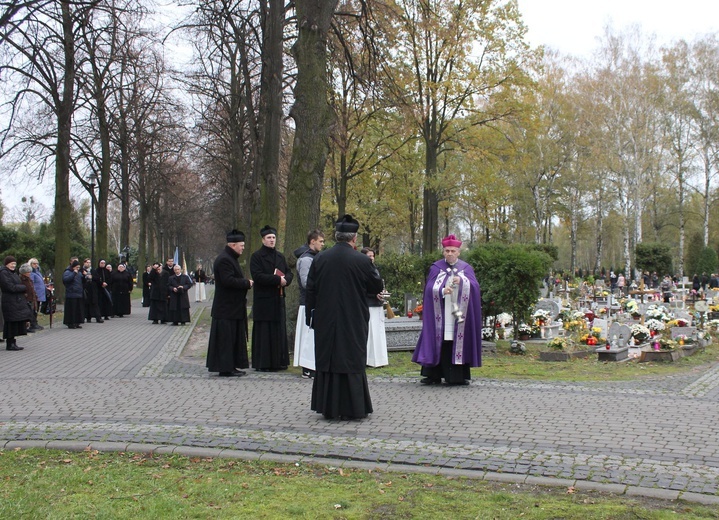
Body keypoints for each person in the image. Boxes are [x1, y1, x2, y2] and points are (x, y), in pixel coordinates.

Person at [305, 215, 383, 420]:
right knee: (351, 357)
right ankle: (353, 407)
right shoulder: (362, 260)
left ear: (336, 236)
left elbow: (310, 290)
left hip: (325, 317)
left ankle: (328, 406)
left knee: (329, 358)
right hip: (353, 317)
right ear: (354, 239)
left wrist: (310, 317)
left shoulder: (320, 258)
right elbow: (377, 286)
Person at [413, 234, 483, 386]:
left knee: (456, 340)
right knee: (440, 339)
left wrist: (463, 281)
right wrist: (441, 290)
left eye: (452, 251)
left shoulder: (466, 268)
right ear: (443, 251)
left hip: (458, 314)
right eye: (447, 251)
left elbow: (475, 287)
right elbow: (429, 288)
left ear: (458, 252)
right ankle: (433, 374)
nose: (449, 254)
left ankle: (458, 376)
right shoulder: (436, 267)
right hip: (442, 312)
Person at [206, 230, 254, 377]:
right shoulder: (224, 260)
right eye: (241, 245)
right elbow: (228, 281)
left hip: (232, 308)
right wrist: (246, 283)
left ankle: (231, 365)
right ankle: (226, 367)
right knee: (226, 339)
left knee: (232, 337)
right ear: (233, 245)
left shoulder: (230, 258)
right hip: (226, 308)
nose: (243, 248)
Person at [250, 225, 293, 371]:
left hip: (278, 298)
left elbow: (288, 272)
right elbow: (258, 276)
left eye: (273, 237)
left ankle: (279, 361)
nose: (272, 240)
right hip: (264, 300)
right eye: (269, 238)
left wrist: (286, 279)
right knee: (265, 331)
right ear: (263, 240)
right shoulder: (256, 257)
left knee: (278, 330)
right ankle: (264, 363)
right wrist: (277, 280)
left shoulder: (280, 256)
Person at [293, 229, 325, 379]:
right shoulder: (306, 260)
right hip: (308, 302)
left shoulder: (316, 257)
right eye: (321, 241)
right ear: (312, 241)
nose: (322, 244)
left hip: (315, 301)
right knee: (308, 336)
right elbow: (306, 282)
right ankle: (307, 367)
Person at [361, 247, 389, 368]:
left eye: (372, 256)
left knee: (378, 332)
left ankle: (380, 359)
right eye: (369, 256)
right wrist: (374, 294)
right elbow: (361, 289)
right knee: (370, 332)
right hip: (368, 305)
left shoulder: (375, 269)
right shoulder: (361, 270)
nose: (371, 258)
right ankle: (369, 359)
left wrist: (383, 292)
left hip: (377, 304)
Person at [0, 256, 33, 350]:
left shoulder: (12, 273)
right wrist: (22, 288)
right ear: (7, 264)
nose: (13, 265)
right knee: (10, 322)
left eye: (14, 264)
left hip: (15, 301)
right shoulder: (3, 273)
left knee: (15, 321)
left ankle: (13, 342)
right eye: (11, 264)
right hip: (9, 301)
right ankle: (10, 343)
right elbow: (9, 287)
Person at [62, 259, 85, 329]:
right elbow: (66, 280)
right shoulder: (67, 272)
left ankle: (77, 322)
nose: (78, 269)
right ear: (73, 267)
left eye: (79, 267)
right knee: (72, 309)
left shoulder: (79, 273)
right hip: (71, 293)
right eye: (77, 267)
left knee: (78, 309)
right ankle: (71, 323)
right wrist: (74, 273)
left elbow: (82, 281)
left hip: (78, 293)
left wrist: (85, 277)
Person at [18, 263, 40, 332]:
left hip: (32, 297)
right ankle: (27, 327)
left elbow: (31, 288)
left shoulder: (29, 279)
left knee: (32, 311)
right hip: (26, 298)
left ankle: (32, 324)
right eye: (28, 272)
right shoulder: (21, 279)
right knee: (27, 313)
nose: (29, 273)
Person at [28, 258, 46, 326]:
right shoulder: (31, 273)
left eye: (37, 263)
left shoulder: (38, 272)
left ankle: (35, 322)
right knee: (34, 309)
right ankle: (33, 323)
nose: (36, 265)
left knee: (37, 308)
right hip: (35, 294)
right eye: (34, 263)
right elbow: (31, 283)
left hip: (40, 294)